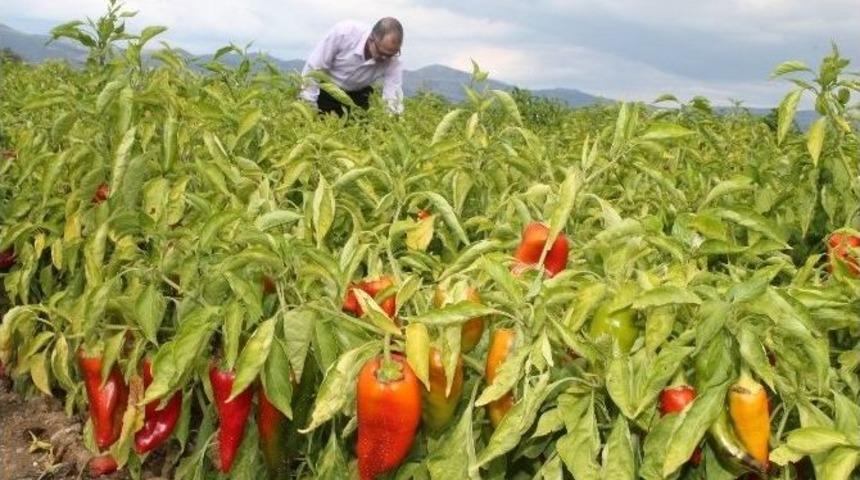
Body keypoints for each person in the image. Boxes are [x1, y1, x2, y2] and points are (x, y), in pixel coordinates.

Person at [300, 18, 404, 116]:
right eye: (382, 53)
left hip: (357, 95)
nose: (385, 58)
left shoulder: (393, 60)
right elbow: (314, 69)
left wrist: (390, 121)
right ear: (371, 39)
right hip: (326, 89)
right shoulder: (344, 33)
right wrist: (308, 106)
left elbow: (392, 98)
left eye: (390, 55)